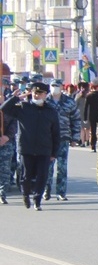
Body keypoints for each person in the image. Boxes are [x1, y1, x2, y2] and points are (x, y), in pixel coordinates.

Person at [1, 81, 61, 211]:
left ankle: (37, 200)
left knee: (42, 175)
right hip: (26, 148)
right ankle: (25, 194)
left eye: (40, 93)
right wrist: (15, 98)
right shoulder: (23, 107)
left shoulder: (51, 111)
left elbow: (56, 133)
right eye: (35, 93)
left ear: (46, 94)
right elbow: (4, 109)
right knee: (26, 176)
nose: (37, 95)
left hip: (44, 149)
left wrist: (54, 153)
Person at [86, 83, 98, 152]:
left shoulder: (89, 96)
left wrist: (85, 117)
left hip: (92, 115)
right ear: (96, 88)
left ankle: (93, 146)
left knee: (93, 131)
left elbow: (86, 107)